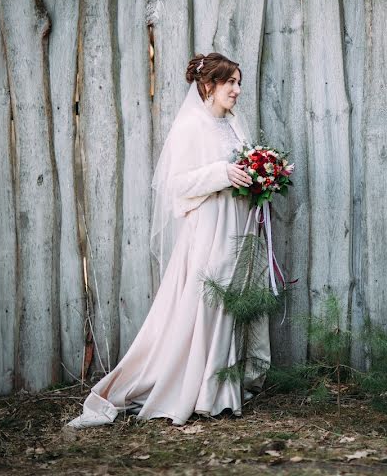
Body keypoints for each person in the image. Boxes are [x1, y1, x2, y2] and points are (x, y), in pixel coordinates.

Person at [68, 53, 271, 427]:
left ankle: (220, 389)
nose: (238, 91)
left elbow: (242, 167)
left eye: (239, 83)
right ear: (209, 85)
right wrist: (221, 173)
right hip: (209, 229)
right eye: (231, 83)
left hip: (237, 225)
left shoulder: (232, 124)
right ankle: (197, 389)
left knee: (229, 304)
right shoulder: (189, 127)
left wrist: (260, 178)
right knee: (207, 305)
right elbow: (174, 186)